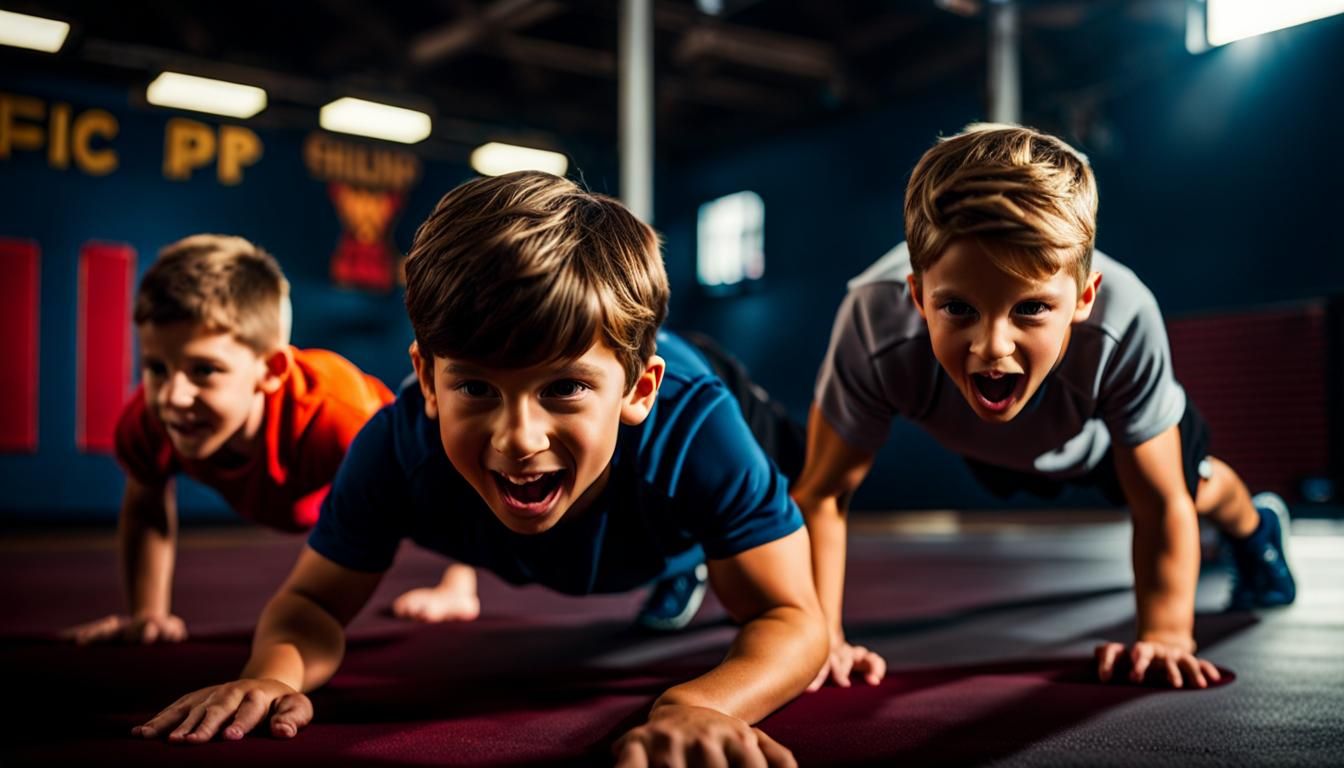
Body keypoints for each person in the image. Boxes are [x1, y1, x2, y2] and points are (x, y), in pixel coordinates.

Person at [132, 173, 827, 767]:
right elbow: (311, 604)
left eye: (563, 388)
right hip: (628, 491)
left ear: (638, 390)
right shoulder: (398, 445)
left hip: (703, 413)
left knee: (803, 473)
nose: (518, 439)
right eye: (475, 389)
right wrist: (270, 674)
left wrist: (700, 703)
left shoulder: (695, 426)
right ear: (427, 381)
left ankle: (694, 553)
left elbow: (793, 617)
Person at [792, 123, 1296, 692]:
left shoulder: (1124, 319)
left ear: (1084, 297)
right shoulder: (872, 322)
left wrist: (1166, 635)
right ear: (915, 296)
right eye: (958, 308)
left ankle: (1257, 526)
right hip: (997, 447)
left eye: (1030, 308)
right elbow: (823, 492)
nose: (992, 348)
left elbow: (1159, 501)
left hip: (1100, 437)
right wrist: (820, 638)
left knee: (1196, 487)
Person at [62, 234, 478, 645]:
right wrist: (148, 615)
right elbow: (145, 505)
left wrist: (458, 583)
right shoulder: (151, 420)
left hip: (380, 461)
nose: (174, 395)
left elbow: (453, 482)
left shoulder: (340, 418)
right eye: (156, 367)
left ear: (273, 370)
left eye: (204, 370)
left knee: (429, 486)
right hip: (307, 485)